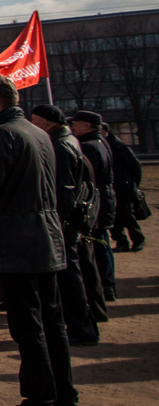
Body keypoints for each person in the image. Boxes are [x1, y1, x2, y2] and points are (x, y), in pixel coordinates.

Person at [0, 76, 77, 406]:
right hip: (45, 237)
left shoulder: (2, 135)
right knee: (51, 323)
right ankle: (64, 399)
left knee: (27, 327)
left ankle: (38, 403)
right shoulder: (39, 133)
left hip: (18, 240)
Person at [29, 105, 101, 345]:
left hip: (63, 222)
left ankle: (81, 328)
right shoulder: (67, 140)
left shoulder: (59, 146)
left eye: (34, 120)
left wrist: (56, 220)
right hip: (69, 219)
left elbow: (63, 189)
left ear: (44, 123)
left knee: (69, 278)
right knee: (74, 273)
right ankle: (85, 322)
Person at [71, 111, 117, 301]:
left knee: (98, 244)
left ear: (87, 126)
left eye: (76, 124)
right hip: (105, 197)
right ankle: (108, 284)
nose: (73, 128)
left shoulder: (88, 146)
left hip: (95, 199)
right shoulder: (102, 142)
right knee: (103, 241)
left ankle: (105, 286)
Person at [104, 124, 146, 252]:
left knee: (126, 215)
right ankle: (121, 242)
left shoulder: (118, 145)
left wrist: (132, 185)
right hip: (110, 186)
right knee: (113, 216)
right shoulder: (101, 143)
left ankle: (138, 239)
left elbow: (135, 166)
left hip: (123, 186)